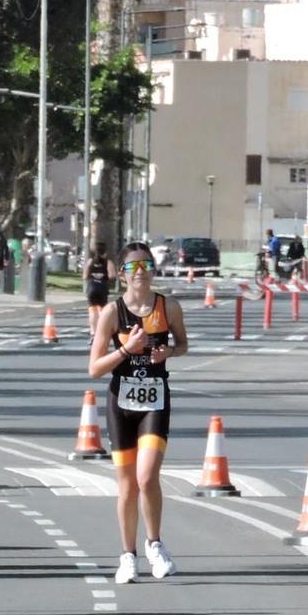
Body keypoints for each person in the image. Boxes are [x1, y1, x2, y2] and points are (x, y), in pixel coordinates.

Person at [88, 240, 186, 585]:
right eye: (133, 266)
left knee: (147, 478)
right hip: (122, 402)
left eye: (146, 265)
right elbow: (95, 368)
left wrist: (168, 354)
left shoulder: (168, 306)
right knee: (127, 485)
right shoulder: (112, 313)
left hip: (155, 400)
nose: (140, 271)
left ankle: (155, 545)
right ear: (122, 274)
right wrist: (126, 349)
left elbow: (183, 344)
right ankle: (127, 555)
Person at [84, 244, 115, 333]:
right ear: (105, 252)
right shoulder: (108, 262)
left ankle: (93, 332)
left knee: (92, 311)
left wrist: (93, 276)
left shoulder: (90, 261)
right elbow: (112, 275)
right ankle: (101, 331)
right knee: (102, 310)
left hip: (91, 289)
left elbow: (85, 276)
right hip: (102, 289)